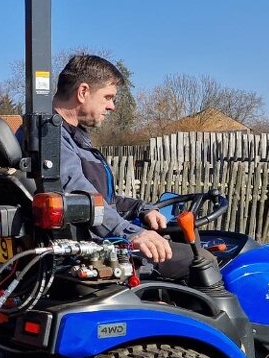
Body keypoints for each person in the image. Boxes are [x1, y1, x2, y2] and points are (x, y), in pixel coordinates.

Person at [54, 53, 199, 281]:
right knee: (201, 260)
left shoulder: (72, 137)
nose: (111, 106)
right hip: (95, 252)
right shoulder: (51, 139)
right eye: (108, 97)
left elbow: (102, 200)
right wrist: (131, 233)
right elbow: (80, 197)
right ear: (83, 92)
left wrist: (142, 208)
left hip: (96, 240)